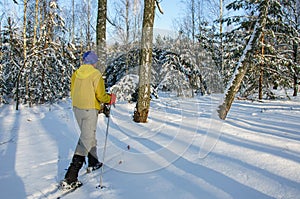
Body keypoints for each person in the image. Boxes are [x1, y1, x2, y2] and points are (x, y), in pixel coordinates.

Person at [60, 51, 116, 190]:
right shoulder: (96, 74)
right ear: (93, 62)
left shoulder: (76, 73)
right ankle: (70, 177)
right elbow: (101, 95)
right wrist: (110, 99)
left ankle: (93, 161)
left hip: (77, 108)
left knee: (88, 135)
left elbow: (72, 90)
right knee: (86, 138)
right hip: (90, 109)